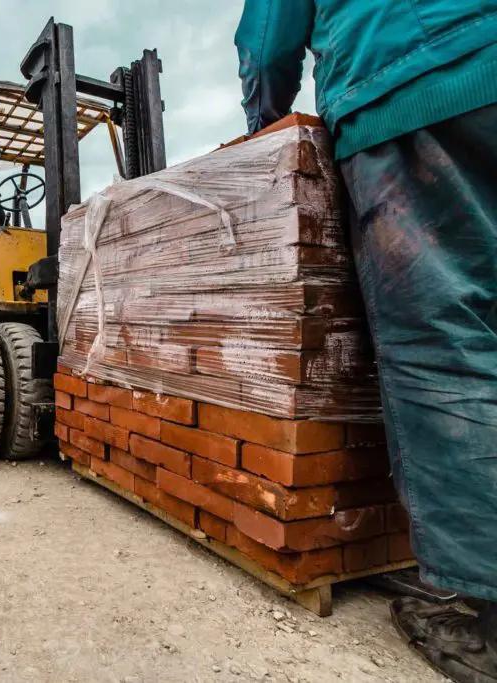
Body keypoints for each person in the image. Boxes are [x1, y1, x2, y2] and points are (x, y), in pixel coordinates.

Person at [234, 2, 497, 681]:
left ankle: (478, 606)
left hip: (412, 85)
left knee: (443, 339)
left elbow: (268, 43)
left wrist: (265, 136)